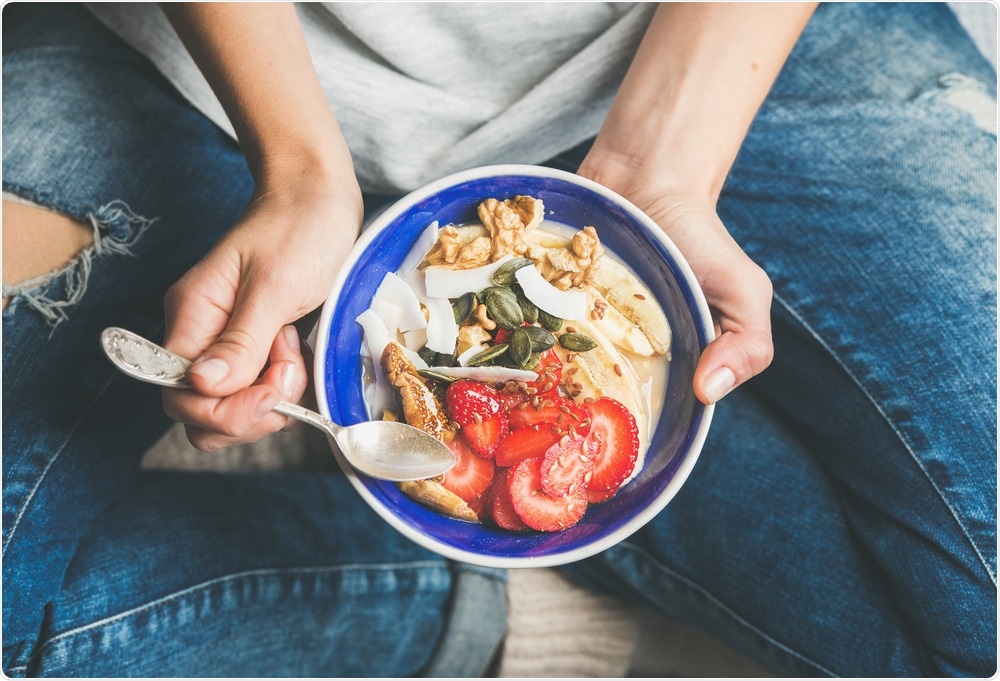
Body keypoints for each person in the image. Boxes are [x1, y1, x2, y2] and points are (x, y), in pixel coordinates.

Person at [2, 2, 995, 676]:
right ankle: (444, 593)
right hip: (200, 70)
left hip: (727, 52)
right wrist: (299, 163)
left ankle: (579, 518)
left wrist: (665, 161)